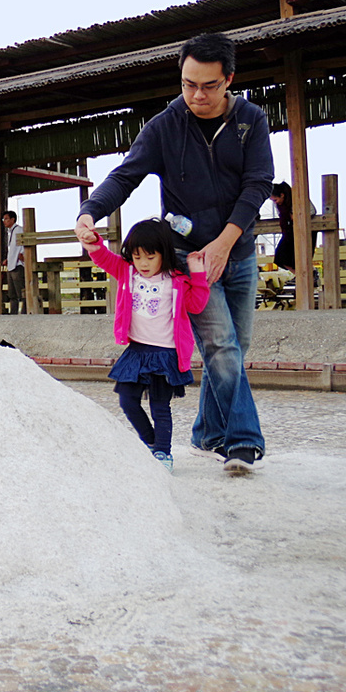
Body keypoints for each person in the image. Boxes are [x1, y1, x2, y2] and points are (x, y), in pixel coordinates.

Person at [74, 32, 273, 474]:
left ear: (229, 80)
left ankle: (206, 431)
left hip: (237, 251)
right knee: (221, 346)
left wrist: (225, 242)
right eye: (187, 84)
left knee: (234, 348)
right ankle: (243, 443)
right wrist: (90, 210)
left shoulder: (250, 120)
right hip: (188, 258)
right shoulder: (165, 125)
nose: (196, 95)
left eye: (208, 85)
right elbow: (125, 175)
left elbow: (258, 183)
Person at [81, 219, 210, 472]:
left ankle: (163, 453)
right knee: (127, 400)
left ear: (164, 253)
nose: (143, 263)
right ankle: (150, 442)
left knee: (160, 407)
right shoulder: (127, 272)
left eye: (150, 257)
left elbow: (196, 305)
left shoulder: (177, 280)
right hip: (137, 351)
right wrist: (93, 243)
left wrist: (198, 273)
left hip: (165, 353)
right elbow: (104, 258)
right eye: (137, 256)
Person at [2, 210, 27, 315]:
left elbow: (23, 244)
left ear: (13, 219)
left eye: (6, 219)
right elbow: (12, 249)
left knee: (21, 291)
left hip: (18, 264)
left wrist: (22, 254)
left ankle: (25, 311)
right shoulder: (10, 232)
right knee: (12, 293)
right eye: (4, 219)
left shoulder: (19, 230)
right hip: (11, 264)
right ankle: (13, 312)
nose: (4, 221)